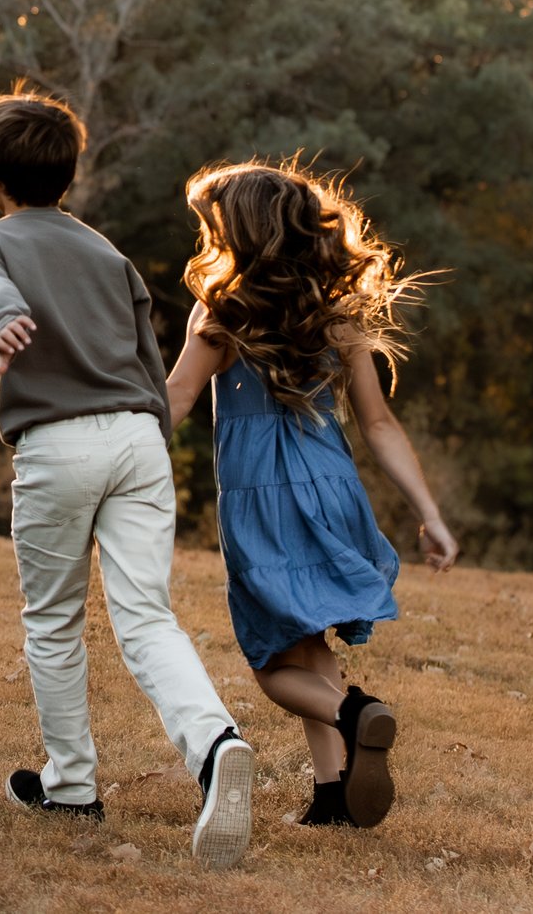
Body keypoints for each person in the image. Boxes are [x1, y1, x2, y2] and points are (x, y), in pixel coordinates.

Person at [0, 90, 257, 870]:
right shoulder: (106, 252)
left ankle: (72, 786)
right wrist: (148, 436)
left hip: (59, 443)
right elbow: (152, 365)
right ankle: (216, 742)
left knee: (54, 618)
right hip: (138, 438)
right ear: (70, 174)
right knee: (147, 616)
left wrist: (3, 319)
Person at [165, 159, 460, 830]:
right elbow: (379, 424)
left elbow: (177, 397)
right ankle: (332, 795)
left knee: (271, 660)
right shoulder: (335, 314)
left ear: (239, 233)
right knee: (307, 641)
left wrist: (121, 461)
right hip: (333, 491)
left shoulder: (221, 314)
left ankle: (354, 713)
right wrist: (431, 514)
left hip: (264, 502)